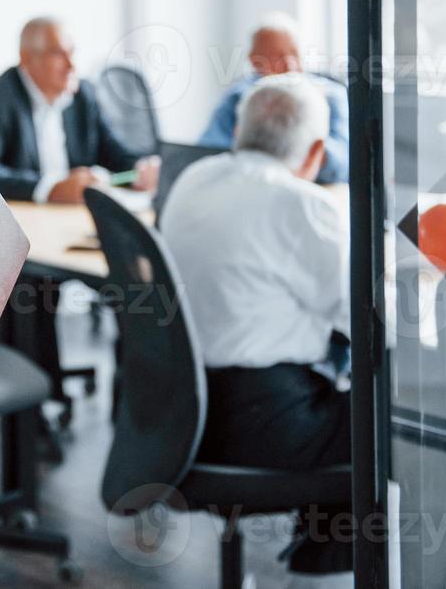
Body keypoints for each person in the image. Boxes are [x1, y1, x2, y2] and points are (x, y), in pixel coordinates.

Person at [161, 74, 351, 584]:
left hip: (177, 420)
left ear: (240, 129)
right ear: (316, 151)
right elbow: (367, 321)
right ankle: (322, 559)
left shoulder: (193, 178)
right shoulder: (303, 205)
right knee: (385, 422)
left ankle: (315, 551)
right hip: (262, 427)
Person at [0, 17, 160, 203]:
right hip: (25, 216)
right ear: (26, 58)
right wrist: (50, 189)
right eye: (57, 54)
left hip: (76, 214)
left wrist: (137, 170)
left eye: (72, 52)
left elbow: (112, 152)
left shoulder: (84, 94)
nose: (71, 65)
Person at [197, 12, 350, 183]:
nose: (290, 64)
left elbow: (343, 164)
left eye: (294, 53)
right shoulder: (238, 97)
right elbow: (209, 152)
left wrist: (302, 147)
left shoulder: (331, 95)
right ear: (255, 62)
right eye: (278, 56)